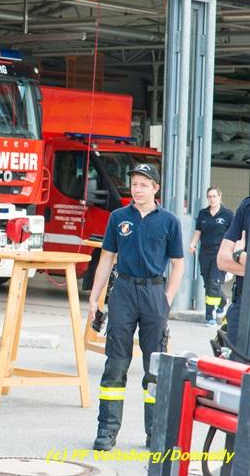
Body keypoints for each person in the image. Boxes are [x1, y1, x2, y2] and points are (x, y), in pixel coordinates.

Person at [87, 163, 184, 451]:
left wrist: (167, 297)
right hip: (124, 292)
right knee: (115, 364)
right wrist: (94, 298)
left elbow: (178, 264)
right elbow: (107, 258)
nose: (137, 189)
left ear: (156, 189)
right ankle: (106, 431)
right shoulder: (118, 217)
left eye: (143, 185)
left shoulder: (169, 222)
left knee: (155, 366)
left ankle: (155, 432)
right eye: (134, 184)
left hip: (154, 293)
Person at [188, 186, 233, 326]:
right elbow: (198, 232)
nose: (212, 199)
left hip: (220, 254)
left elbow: (233, 235)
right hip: (205, 254)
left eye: (214, 196)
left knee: (214, 283)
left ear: (220, 197)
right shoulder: (203, 213)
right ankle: (223, 301)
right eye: (209, 197)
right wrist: (192, 244)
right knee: (208, 284)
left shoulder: (227, 214)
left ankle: (209, 316)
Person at [217, 202, 250, 346]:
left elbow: (231, 257)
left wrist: (239, 255)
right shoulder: (247, 207)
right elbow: (222, 260)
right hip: (242, 308)